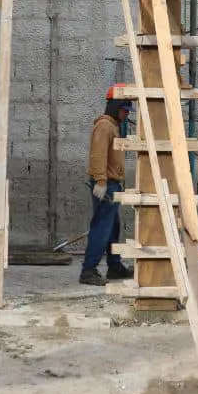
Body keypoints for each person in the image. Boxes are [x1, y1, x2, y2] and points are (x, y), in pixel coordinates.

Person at [79, 85, 134, 286]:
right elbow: (98, 155)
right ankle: (88, 270)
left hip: (111, 184)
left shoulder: (112, 126)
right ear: (115, 106)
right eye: (124, 110)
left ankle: (114, 266)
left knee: (112, 227)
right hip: (106, 184)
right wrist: (101, 181)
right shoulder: (104, 126)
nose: (126, 115)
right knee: (102, 226)